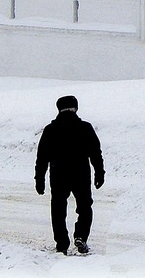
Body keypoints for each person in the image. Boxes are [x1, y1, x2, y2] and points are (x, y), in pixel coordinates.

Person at [35, 95, 104, 255]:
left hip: (59, 173)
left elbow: (42, 157)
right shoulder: (85, 128)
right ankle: (81, 236)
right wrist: (99, 173)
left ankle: (62, 243)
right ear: (76, 108)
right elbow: (95, 153)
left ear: (58, 109)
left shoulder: (50, 130)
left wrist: (39, 179)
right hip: (81, 173)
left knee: (58, 208)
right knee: (85, 206)